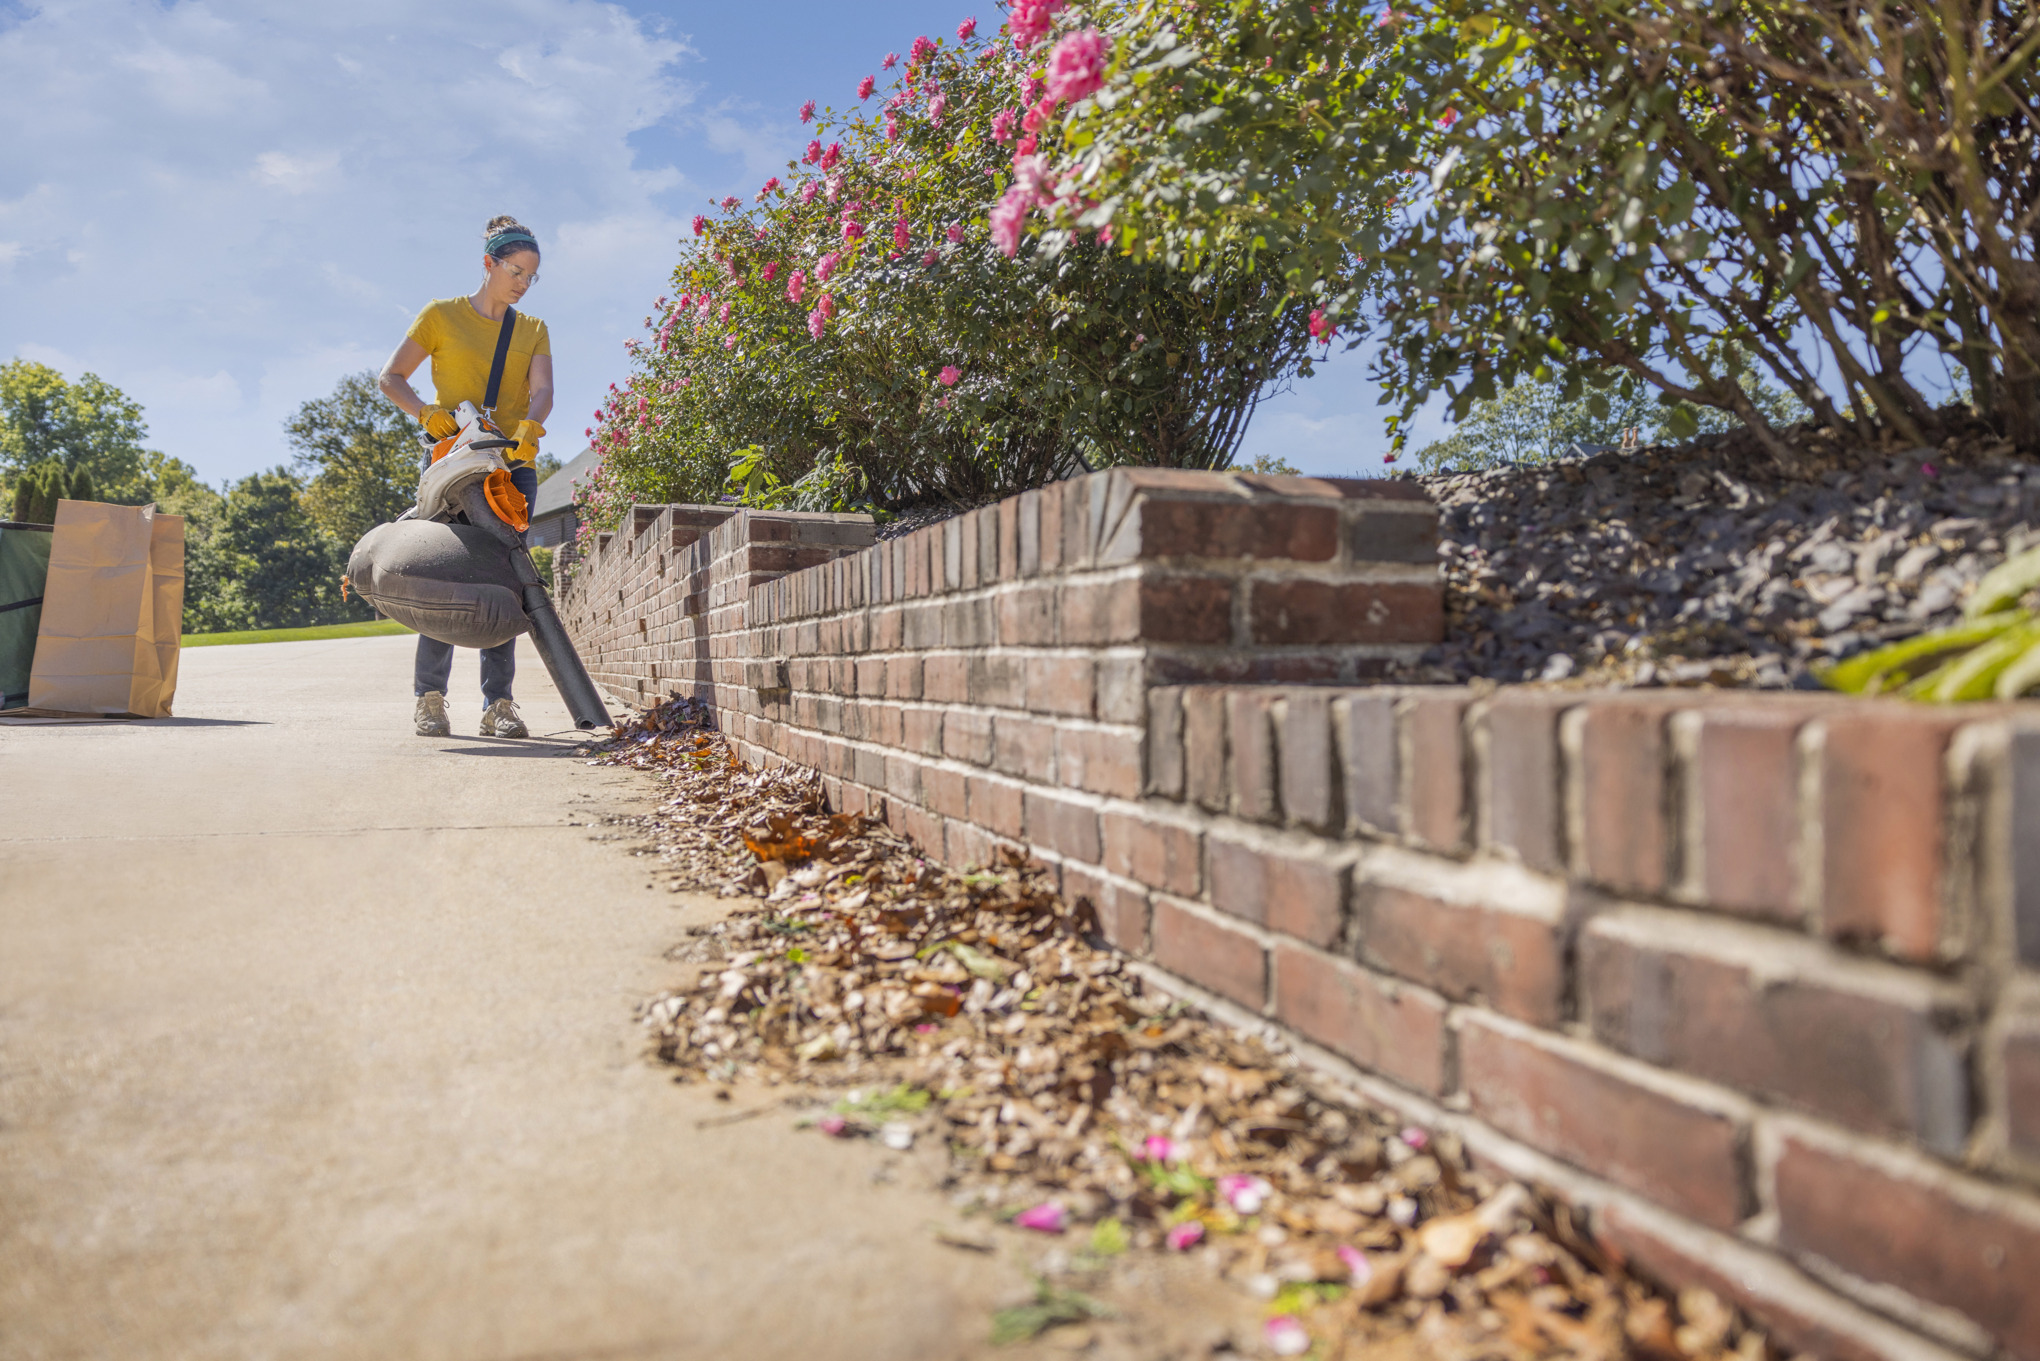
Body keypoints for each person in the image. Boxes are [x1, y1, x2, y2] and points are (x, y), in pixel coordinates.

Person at [378, 215, 553, 739]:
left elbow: (542, 389)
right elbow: (391, 378)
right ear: (488, 264)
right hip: (452, 465)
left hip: (510, 469)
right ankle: (429, 699)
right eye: (516, 271)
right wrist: (424, 413)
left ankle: (499, 705)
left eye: (531, 276)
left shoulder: (532, 329)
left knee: (503, 583)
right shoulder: (440, 316)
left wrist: (531, 425)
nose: (522, 283)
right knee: (444, 576)